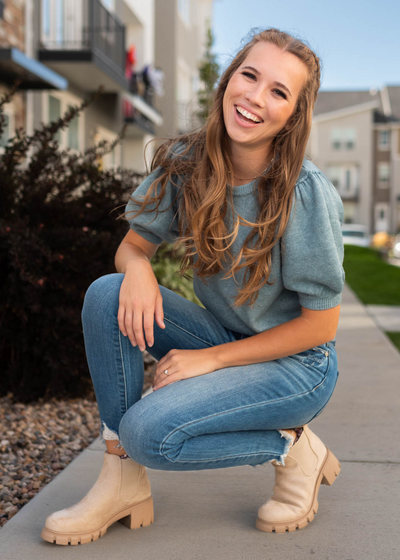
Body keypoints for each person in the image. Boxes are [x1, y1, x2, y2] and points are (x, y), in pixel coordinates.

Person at [41, 28, 344, 545]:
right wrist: (137, 268)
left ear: (293, 115)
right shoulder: (186, 164)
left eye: (278, 91)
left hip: (297, 368)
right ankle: (121, 480)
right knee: (107, 292)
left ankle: (291, 447)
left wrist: (210, 361)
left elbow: (320, 326)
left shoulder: (304, 193)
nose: (254, 97)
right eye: (249, 75)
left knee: (150, 435)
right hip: (224, 337)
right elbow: (132, 247)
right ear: (229, 80)